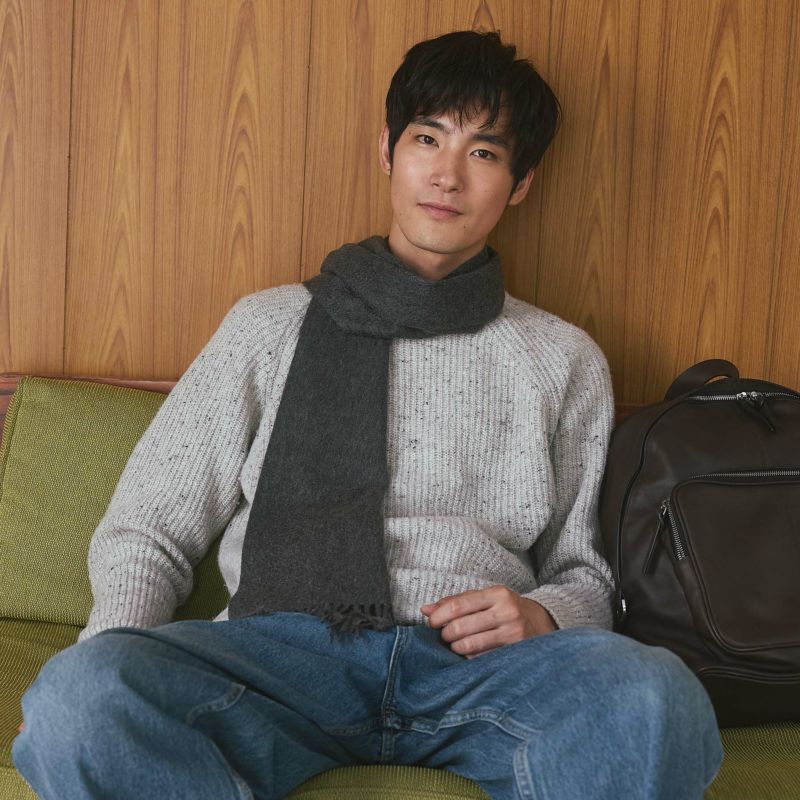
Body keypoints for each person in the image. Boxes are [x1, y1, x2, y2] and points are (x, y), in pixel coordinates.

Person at [12, 29, 724, 800]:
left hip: (480, 671)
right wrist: (105, 657)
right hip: (281, 661)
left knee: (658, 696)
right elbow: (148, 529)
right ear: (387, 149)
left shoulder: (562, 358)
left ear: (520, 184)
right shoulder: (268, 327)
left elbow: (584, 571)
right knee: (77, 697)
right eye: (428, 139)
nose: (447, 174)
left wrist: (544, 615)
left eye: (484, 152)